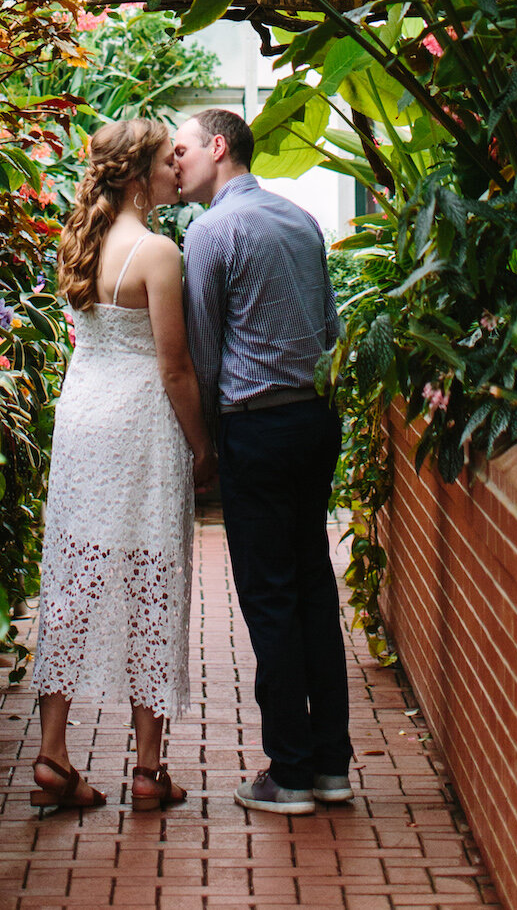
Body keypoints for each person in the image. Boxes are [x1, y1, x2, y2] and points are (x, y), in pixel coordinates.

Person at [31, 118, 217, 814]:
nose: (178, 167)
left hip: (83, 414)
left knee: (73, 578)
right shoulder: (157, 251)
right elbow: (174, 367)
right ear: (140, 174)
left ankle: (53, 753)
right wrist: (203, 447)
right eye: (168, 160)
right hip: (140, 422)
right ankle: (148, 768)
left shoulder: (83, 238)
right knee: (150, 580)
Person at [174, 106, 352, 818]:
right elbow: (331, 324)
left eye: (182, 149)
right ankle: (332, 764)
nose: (175, 162)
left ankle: (290, 770)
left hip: (257, 428)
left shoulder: (211, 231)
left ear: (219, 147)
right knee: (313, 586)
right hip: (315, 420)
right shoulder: (301, 219)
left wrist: (206, 446)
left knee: (270, 598)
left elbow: (204, 352)